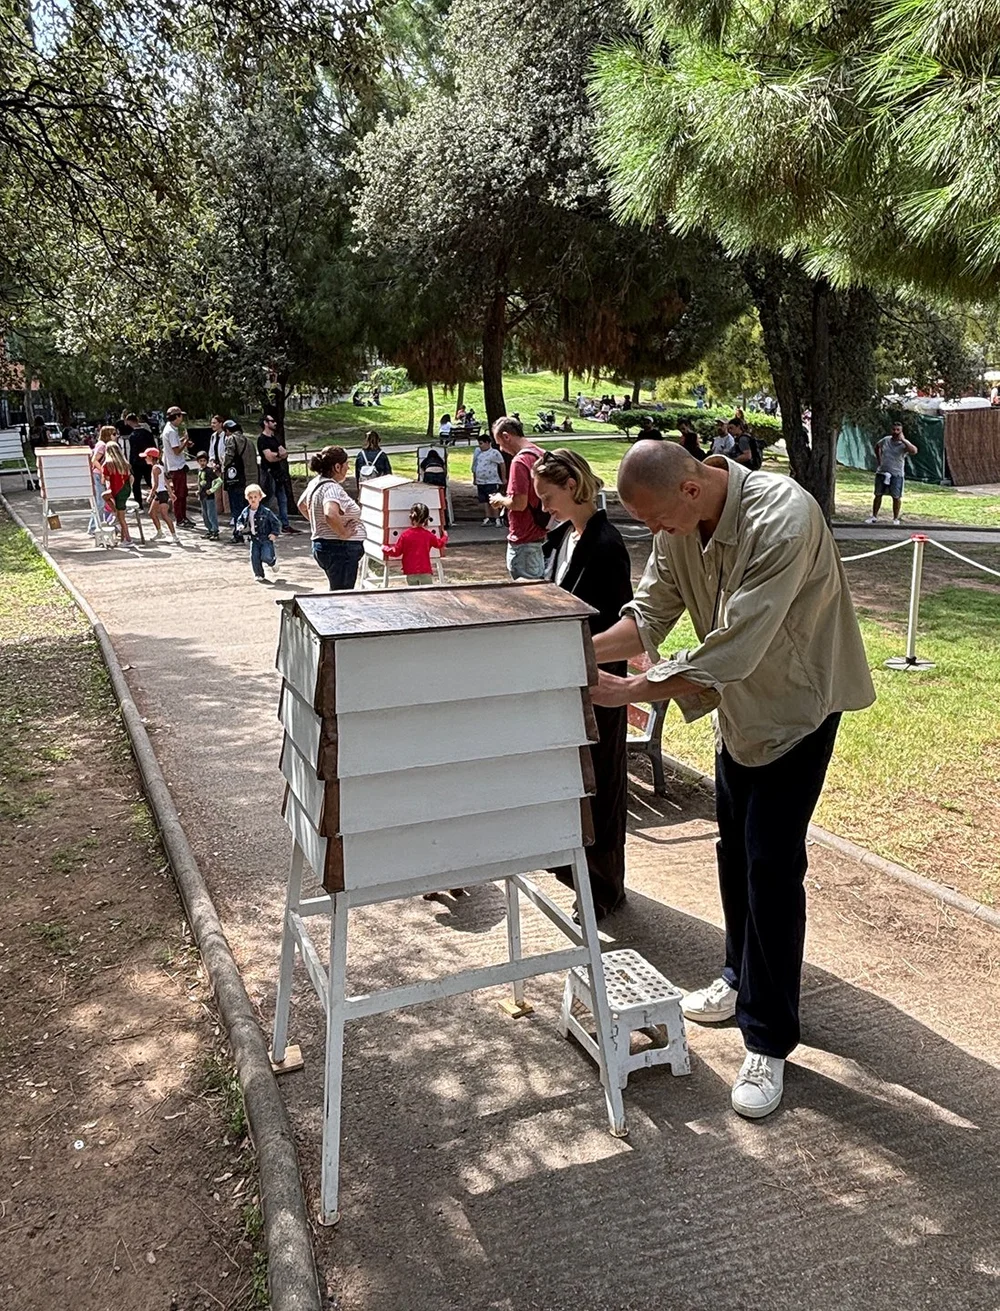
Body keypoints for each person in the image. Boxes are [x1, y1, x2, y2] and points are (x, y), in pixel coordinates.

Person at [590, 440, 875, 1119]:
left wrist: (620, 691)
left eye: (657, 520)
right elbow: (650, 613)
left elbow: (736, 644)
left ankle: (769, 1037)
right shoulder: (682, 522)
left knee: (771, 865)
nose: (655, 534)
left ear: (690, 490)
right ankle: (737, 975)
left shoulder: (785, 517)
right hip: (738, 711)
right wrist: (572, 646)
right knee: (733, 849)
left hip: (799, 708)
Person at [534, 449, 633, 920]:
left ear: (573, 485)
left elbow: (614, 624)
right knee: (573, 780)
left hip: (599, 682)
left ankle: (605, 887)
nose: (544, 507)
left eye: (548, 497)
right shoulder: (565, 538)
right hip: (565, 675)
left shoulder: (606, 545)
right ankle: (577, 872)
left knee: (602, 781)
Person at [298, 445, 367, 590]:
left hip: (326, 546)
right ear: (337, 466)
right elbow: (330, 513)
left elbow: (302, 505)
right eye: (346, 464)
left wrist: (318, 524)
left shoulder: (315, 482)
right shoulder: (332, 488)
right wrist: (343, 533)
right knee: (342, 595)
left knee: (337, 591)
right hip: (340, 549)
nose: (348, 468)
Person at [489, 417, 547, 579]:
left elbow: (519, 503)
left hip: (524, 538)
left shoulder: (520, 461)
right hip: (540, 533)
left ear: (507, 436)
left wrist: (499, 499)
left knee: (527, 595)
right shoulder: (540, 454)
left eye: (499, 443)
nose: (501, 449)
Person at [382, 502, 447, 585]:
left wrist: (384, 548)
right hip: (425, 570)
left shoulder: (405, 535)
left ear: (411, 518)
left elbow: (396, 551)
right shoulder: (428, 535)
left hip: (410, 571)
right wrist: (445, 536)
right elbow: (439, 544)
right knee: (428, 593)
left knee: (413, 593)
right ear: (426, 520)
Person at [867, 421, 917, 525]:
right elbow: (877, 446)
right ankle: (874, 516)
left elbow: (914, 451)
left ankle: (895, 518)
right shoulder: (886, 440)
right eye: (894, 429)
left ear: (901, 431)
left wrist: (903, 440)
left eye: (898, 430)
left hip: (897, 474)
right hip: (882, 472)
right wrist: (879, 460)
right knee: (878, 494)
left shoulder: (903, 444)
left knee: (896, 497)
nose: (895, 432)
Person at [257, 414, 298, 534]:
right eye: (272, 421)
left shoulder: (274, 438)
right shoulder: (262, 439)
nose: (275, 423)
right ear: (265, 423)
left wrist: (278, 456)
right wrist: (279, 455)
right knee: (268, 499)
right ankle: (263, 524)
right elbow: (269, 457)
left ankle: (285, 525)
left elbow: (285, 453)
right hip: (268, 473)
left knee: (283, 499)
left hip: (278, 472)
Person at [235, 483, 282, 583]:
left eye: (255, 497)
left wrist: (274, 533)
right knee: (254, 557)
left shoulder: (266, 512)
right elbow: (240, 520)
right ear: (247, 498)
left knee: (266, 556)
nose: (253, 499)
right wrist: (240, 526)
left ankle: (272, 562)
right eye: (250, 497)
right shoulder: (246, 511)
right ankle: (258, 574)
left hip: (266, 538)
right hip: (254, 538)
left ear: (260, 498)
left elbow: (276, 523)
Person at [221, 419, 257, 542]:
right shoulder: (250, 442)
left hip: (236, 479)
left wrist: (221, 464)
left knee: (236, 508)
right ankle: (252, 532)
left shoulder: (231, 439)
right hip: (251, 480)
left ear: (227, 430)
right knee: (249, 507)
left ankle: (238, 534)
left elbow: (228, 458)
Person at [161, 405, 194, 527]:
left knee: (183, 493)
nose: (182, 418)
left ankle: (183, 517)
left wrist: (183, 442)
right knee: (179, 494)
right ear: (176, 416)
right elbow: (176, 450)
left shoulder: (171, 429)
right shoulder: (171, 431)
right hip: (176, 466)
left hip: (177, 466)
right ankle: (180, 519)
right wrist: (185, 441)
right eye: (180, 416)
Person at [143, 446, 180, 543]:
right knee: (153, 513)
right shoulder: (160, 467)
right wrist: (171, 493)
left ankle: (174, 536)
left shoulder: (155, 468)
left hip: (160, 493)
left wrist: (150, 495)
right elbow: (166, 481)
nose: (145, 459)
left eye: (146, 457)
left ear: (151, 457)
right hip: (162, 493)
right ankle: (160, 532)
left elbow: (155, 484)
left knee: (164, 515)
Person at [101, 441, 134, 546]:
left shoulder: (107, 464)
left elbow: (104, 479)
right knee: (106, 497)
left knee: (121, 518)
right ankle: (123, 539)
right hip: (125, 489)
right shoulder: (125, 463)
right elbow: (131, 477)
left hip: (116, 490)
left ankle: (128, 540)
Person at [471, 434, 506, 525]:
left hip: (491, 481)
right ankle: (488, 517)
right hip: (481, 481)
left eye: (481, 443)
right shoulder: (479, 453)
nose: (480, 446)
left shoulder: (494, 453)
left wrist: (503, 477)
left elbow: (501, 464)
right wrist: (475, 478)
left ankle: (497, 518)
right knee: (484, 500)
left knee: (493, 499)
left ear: (487, 443)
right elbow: (475, 466)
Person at [125, 413, 153, 509]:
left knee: (136, 484)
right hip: (148, 461)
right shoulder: (148, 433)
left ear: (129, 422)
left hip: (136, 463)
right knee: (151, 481)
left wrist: (130, 463)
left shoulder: (133, 436)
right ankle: (158, 499)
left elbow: (133, 451)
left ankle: (139, 505)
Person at [207, 414, 229, 525]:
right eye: (212, 423)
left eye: (215, 423)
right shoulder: (213, 436)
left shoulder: (226, 436)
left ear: (221, 424)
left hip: (224, 466)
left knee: (225, 490)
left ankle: (227, 512)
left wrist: (221, 463)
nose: (212, 425)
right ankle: (218, 510)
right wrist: (212, 462)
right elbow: (211, 450)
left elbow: (225, 451)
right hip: (216, 466)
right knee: (216, 489)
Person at [195, 451, 222, 540]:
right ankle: (210, 530)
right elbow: (200, 482)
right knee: (205, 514)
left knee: (211, 514)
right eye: (200, 461)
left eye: (204, 461)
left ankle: (215, 531)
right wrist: (198, 491)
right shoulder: (200, 471)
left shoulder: (209, 471)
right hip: (202, 496)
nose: (202, 463)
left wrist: (211, 490)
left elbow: (219, 481)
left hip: (209, 496)